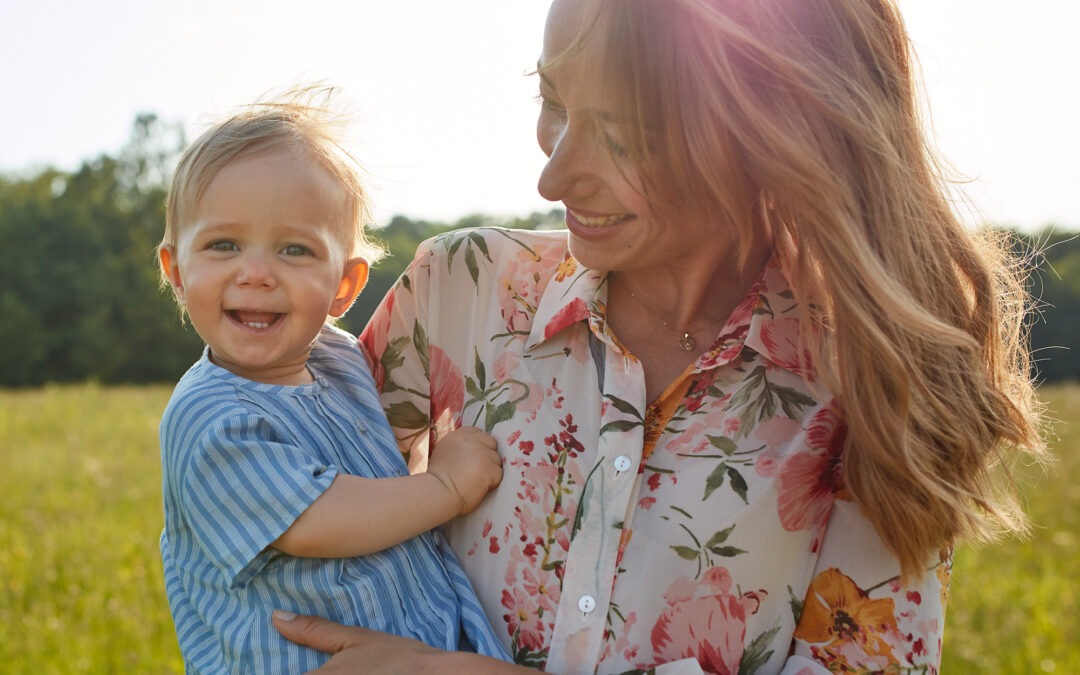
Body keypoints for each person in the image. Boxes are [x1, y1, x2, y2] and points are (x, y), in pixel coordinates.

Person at [274, 0, 1046, 672]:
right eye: (553, 100)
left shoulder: (870, 387)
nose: (555, 175)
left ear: (769, 132)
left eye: (625, 133)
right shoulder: (461, 289)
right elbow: (264, 512)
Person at [156, 88, 510, 673]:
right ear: (177, 270)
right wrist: (444, 489)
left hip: (415, 643)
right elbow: (318, 521)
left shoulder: (339, 358)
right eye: (224, 244)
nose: (256, 273)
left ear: (344, 287)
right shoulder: (209, 417)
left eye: (294, 249)